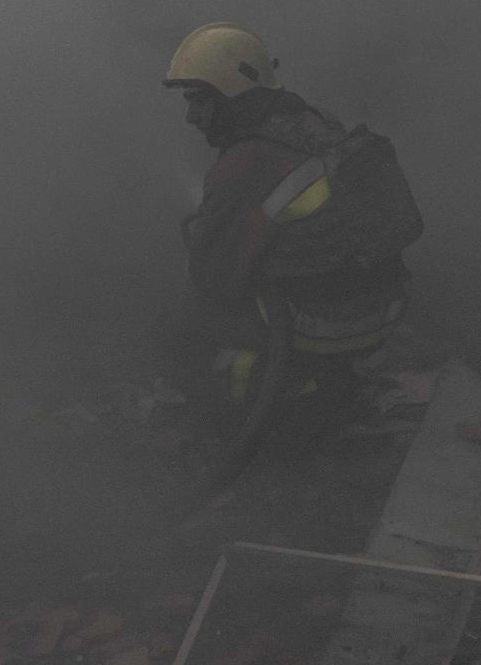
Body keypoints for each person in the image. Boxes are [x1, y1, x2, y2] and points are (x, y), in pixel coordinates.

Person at [162, 22, 422, 425]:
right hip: (387, 309)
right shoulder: (313, 124)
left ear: (229, 94)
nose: (191, 117)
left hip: (331, 326)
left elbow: (212, 278)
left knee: (187, 322)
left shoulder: (242, 165)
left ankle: (269, 407)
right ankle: (324, 375)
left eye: (198, 101)